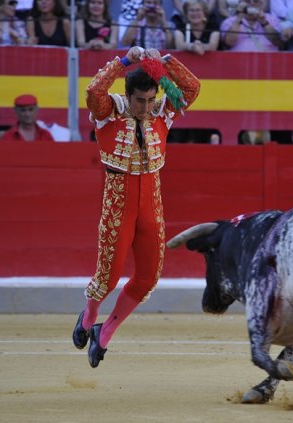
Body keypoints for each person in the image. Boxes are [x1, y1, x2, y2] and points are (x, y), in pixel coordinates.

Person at [72, 46, 200, 368]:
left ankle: (106, 332)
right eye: (139, 101)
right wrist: (125, 62)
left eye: (149, 99)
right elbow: (92, 90)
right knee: (108, 277)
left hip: (151, 202)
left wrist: (163, 65)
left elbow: (191, 88)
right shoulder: (108, 111)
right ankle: (88, 316)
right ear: (127, 96)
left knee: (147, 277)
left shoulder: (161, 110)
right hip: (118, 200)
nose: (145, 108)